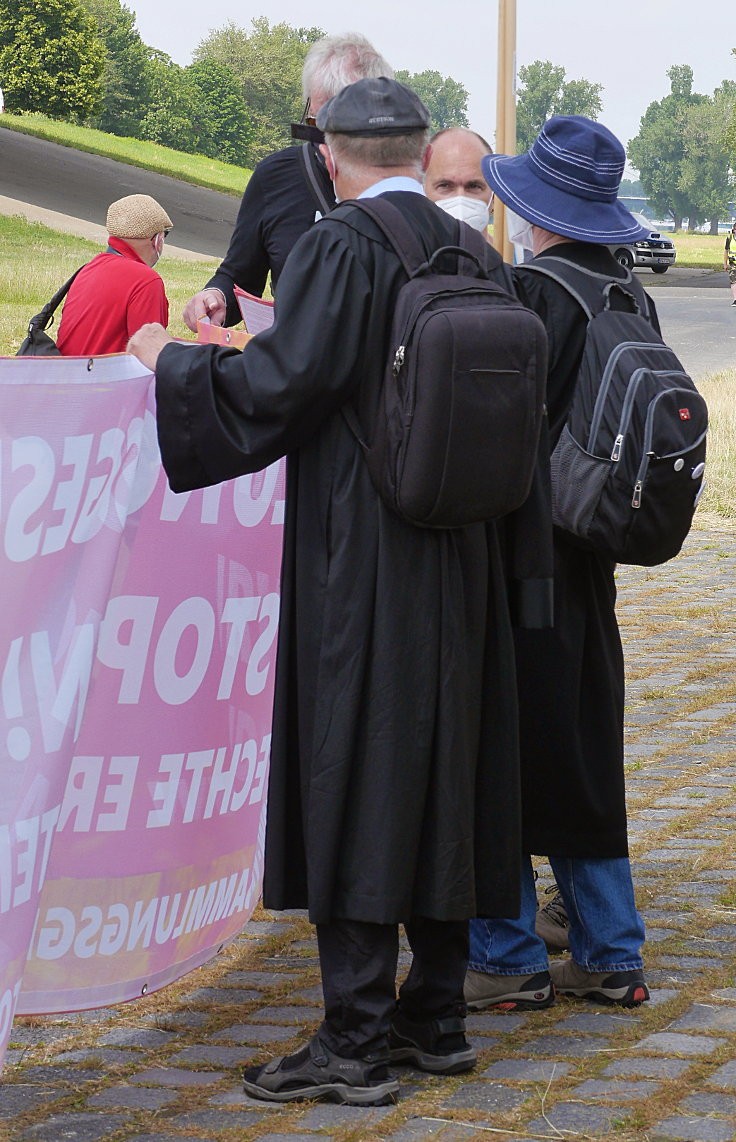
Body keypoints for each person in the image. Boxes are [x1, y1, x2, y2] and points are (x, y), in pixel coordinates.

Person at [129, 77, 527, 1106]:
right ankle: (434, 1015)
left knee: (355, 761)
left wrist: (172, 366)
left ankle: (352, 1037)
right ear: (409, 152)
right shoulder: (474, 252)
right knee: (446, 763)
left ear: (331, 154)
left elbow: (279, 388)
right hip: (463, 554)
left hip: (365, 554)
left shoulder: (340, 246)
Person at [465, 116, 654, 1011]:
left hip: (522, 558)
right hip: (592, 554)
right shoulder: (627, 294)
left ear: (532, 208)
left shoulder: (529, 292)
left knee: (493, 754)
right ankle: (613, 953)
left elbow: (500, 437)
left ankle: (506, 959)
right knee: (583, 752)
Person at [182, 33, 393, 332]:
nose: (327, 148)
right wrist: (214, 296)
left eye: (344, 131)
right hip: (294, 368)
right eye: (316, 127)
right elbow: (240, 275)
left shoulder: (404, 186)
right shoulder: (276, 176)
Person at [56, 194, 170, 356]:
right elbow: (151, 353)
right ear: (157, 240)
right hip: (105, 378)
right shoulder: (146, 280)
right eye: (165, 234)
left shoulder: (89, 268)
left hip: (67, 375)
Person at [424, 126, 494, 237]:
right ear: (422, 191)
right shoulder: (401, 253)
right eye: (445, 185)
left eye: (473, 186)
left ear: (493, 198)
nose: (460, 198)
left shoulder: (513, 253)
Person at [723, 220, 736, 306]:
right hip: (732, 263)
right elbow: (726, 251)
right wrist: (725, 263)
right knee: (733, 281)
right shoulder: (730, 238)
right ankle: (735, 299)